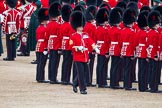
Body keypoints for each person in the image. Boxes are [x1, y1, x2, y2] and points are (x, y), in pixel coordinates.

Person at [69, 11, 99, 94]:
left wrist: (95, 48)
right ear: (76, 26)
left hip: (85, 56)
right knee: (81, 73)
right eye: (80, 26)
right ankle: (83, 89)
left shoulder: (85, 34)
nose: (81, 27)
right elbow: (71, 46)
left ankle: (75, 83)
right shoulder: (73, 36)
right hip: (78, 57)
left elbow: (91, 41)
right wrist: (78, 48)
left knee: (85, 72)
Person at [120, 8, 137, 90]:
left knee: (125, 68)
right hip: (129, 51)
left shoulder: (122, 31)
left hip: (124, 50)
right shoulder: (132, 32)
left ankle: (125, 84)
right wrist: (132, 53)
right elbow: (132, 44)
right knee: (128, 69)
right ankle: (128, 85)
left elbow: (121, 42)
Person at [46, 2, 62, 84]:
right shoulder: (58, 25)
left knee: (51, 61)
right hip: (56, 44)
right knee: (55, 62)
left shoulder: (48, 24)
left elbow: (47, 35)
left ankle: (50, 77)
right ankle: (53, 78)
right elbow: (59, 36)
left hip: (50, 43)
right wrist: (60, 47)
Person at [109, 7, 123, 89]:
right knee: (116, 67)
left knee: (113, 66)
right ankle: (115, 83)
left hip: (112, 47)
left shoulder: (110, 29)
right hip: (117, 48)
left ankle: (112, 82)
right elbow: (120, 41)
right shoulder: (118, 30)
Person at [147, 10, 161, 93]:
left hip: (150, 53)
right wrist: (156, 55)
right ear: (155, 24)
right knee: (154, 72)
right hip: (154, 54)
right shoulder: (155, 33)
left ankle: (151, 86)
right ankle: (154, 88)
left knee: (151, 70)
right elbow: (156, 46)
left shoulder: (149, 32)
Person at [95, 8, 110, 88]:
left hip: (98, 48)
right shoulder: (105, 30)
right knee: (103, 66)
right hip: (104, 49)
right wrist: (107, 52)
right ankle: (102, 82)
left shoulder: (97, 29)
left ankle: (99, 81)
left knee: (99, 65)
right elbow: (107, 41)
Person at [60, 4, 74, 85]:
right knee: (68, 63)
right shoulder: (70, 26)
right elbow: (71, 37)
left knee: (65, 62)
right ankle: (66, 79)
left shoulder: (62, 25)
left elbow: (61, 35)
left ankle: (63, 78)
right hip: (68, 45)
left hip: (64, 44)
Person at [136, 10, 149, 92]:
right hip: (144, 52)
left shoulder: (138, 32)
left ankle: (141, 86)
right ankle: (144, 87)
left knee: (140, 70)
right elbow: (147, 44)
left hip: (140, 51)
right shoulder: (146, 33)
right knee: (145, 70)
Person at [35, 7, 49, 83]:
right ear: (44, 21)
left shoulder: (38, 28)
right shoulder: (45, 29)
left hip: (38, 47)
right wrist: (46, 49)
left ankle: (39, 77)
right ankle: (41, 78)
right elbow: (46, 39)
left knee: (39, 63)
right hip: (43, 47)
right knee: (42, 63)